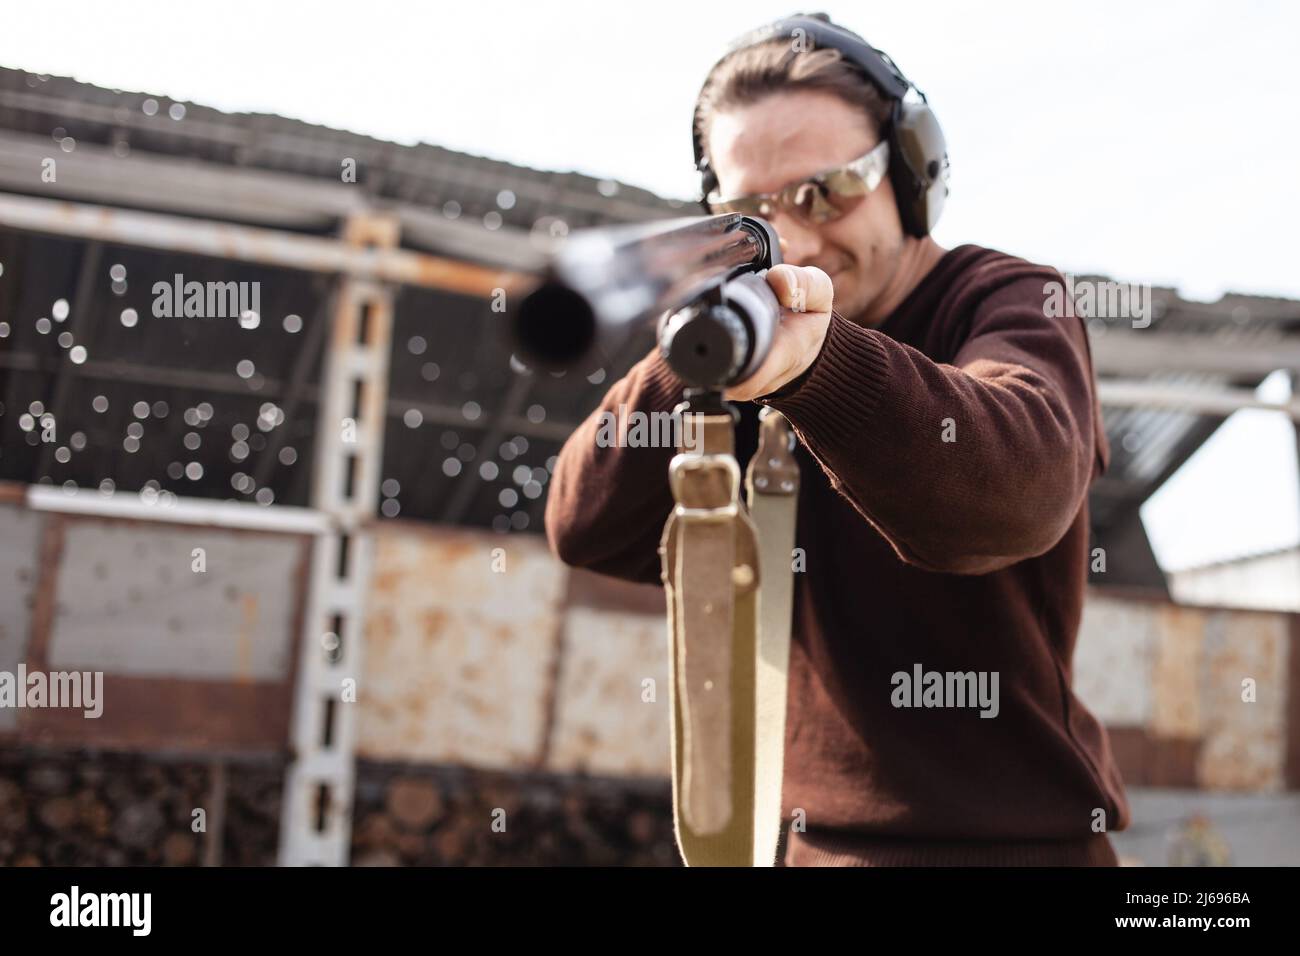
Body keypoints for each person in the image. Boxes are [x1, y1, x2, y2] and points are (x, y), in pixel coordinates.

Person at [544, 14, 1130, 866]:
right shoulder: (746, 341)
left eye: (825, 193)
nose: (802, 239)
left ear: (909, 175)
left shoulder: (1000, 298)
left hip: (1015, 848)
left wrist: (819, 364)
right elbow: (587, 526)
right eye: (753, 213)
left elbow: (1015, 496)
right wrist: (691, 352)